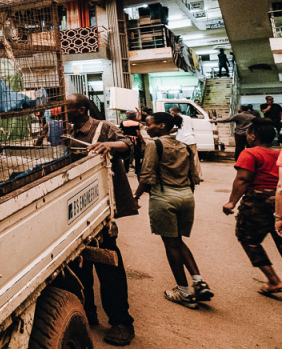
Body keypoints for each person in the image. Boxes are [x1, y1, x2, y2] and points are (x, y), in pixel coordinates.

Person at [66, 94, 136, 346]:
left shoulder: (103, 128)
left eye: (67, 107)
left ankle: (121, 322)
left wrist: (110, 146)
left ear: (81, 109)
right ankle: (88, 312)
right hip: (72, 211)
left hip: (99, 210)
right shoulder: (64, 131)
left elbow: (130, 144)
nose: (62, 111)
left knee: (108, 265)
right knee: (78, 265)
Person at [134, 112, 213, 309]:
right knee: (177, 240)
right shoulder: (185, 146)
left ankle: (183, 292)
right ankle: (198, 281)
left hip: (165, 197)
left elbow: (147, 176)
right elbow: (194, 175)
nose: (146, 127)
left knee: (170, 245)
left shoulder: (155, 145)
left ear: (161, 126)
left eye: (148, 124)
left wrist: (134, 197)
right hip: (186, 196)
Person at [223, 119, 282, 295]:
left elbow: (243, 179)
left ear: (253, 136)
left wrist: (231, 202)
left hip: (259, 201)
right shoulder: (280, 153)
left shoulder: (250, 153)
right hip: (280, 199)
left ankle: (274, 280)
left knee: (248, 238)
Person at [169, 106, 202, 179]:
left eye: (170, 112)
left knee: (181, 159)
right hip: (191, 139)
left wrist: (166, 132)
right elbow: (191, 128)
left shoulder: (176, 118)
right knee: (194, 158)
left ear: (173, 112)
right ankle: (198, 176)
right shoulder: (188, 117)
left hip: (181, 140)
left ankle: (183, 175)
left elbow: (175, 129)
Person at [120, 110, 145, 175]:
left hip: (126, 140)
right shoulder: (136, 123)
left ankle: (126, 172)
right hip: (135, 140)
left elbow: (120, 131)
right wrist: (142, 140)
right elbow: (138, 133)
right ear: (134, 116)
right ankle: (137, 172)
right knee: (137, 156)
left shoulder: (123, 122)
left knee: (126, 155)